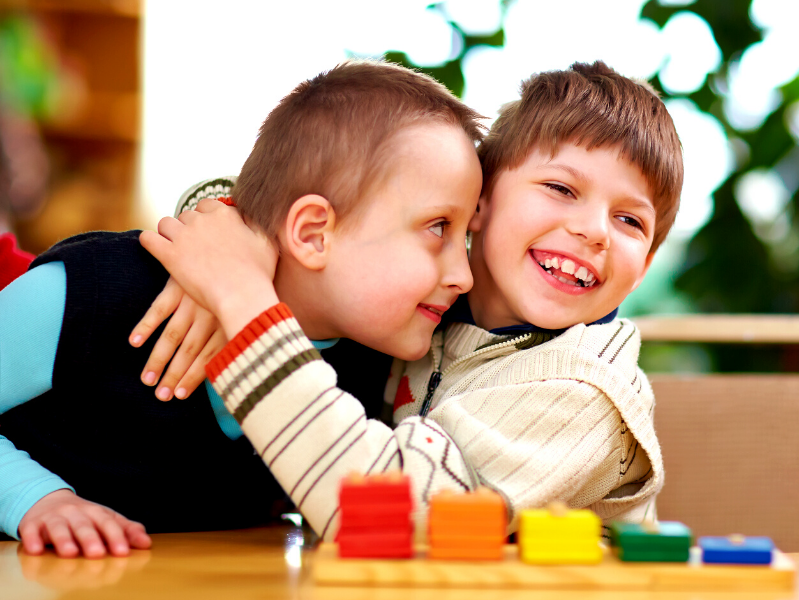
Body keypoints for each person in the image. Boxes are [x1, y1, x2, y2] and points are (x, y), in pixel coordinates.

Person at [140, 60, 683, 541]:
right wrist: (223, 231)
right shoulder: (426, 307)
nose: (595, 232)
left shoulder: (587, 394)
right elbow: (321, 203)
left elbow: (377, 514)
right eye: (562, 189)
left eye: (630, 221)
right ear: (478, 200)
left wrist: (239, 291)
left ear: (644, 269)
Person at [0, 59, 484, 556]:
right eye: (437, 227)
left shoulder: (373, 366)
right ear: (313, 234)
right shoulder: (91, 290)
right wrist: (35, 499)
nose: (462, 275)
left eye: (466, 237)